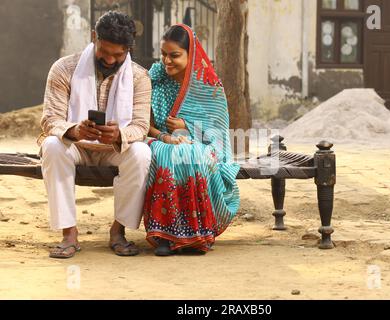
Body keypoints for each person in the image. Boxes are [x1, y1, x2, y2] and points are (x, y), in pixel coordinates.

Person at [39, 11, 152, 259]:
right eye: (105, 51)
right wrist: (74, 130)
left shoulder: (139, 77)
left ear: (128, 49)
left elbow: (141, 127)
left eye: (118, 55)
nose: (110, 60)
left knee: (142, 152)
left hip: (114, 149)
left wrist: (119, 134)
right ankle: (69, 234)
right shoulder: (63, 68)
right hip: (76, 147)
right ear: (94, 38)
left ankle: (118, 231)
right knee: (51, 146)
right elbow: (50, 119)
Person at [143, 24, 240, 256]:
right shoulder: (153, 82)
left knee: (193, 155)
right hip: (160, 142)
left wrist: (188, 126)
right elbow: (144, 126)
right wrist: (166, 137)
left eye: (174, 55)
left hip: (203, 146)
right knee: (168, 153)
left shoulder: (209, 88)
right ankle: (164, 236)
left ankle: (196, 236)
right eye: (164, 54)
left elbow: (219, 135)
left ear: (191, 54)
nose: (167, 61)